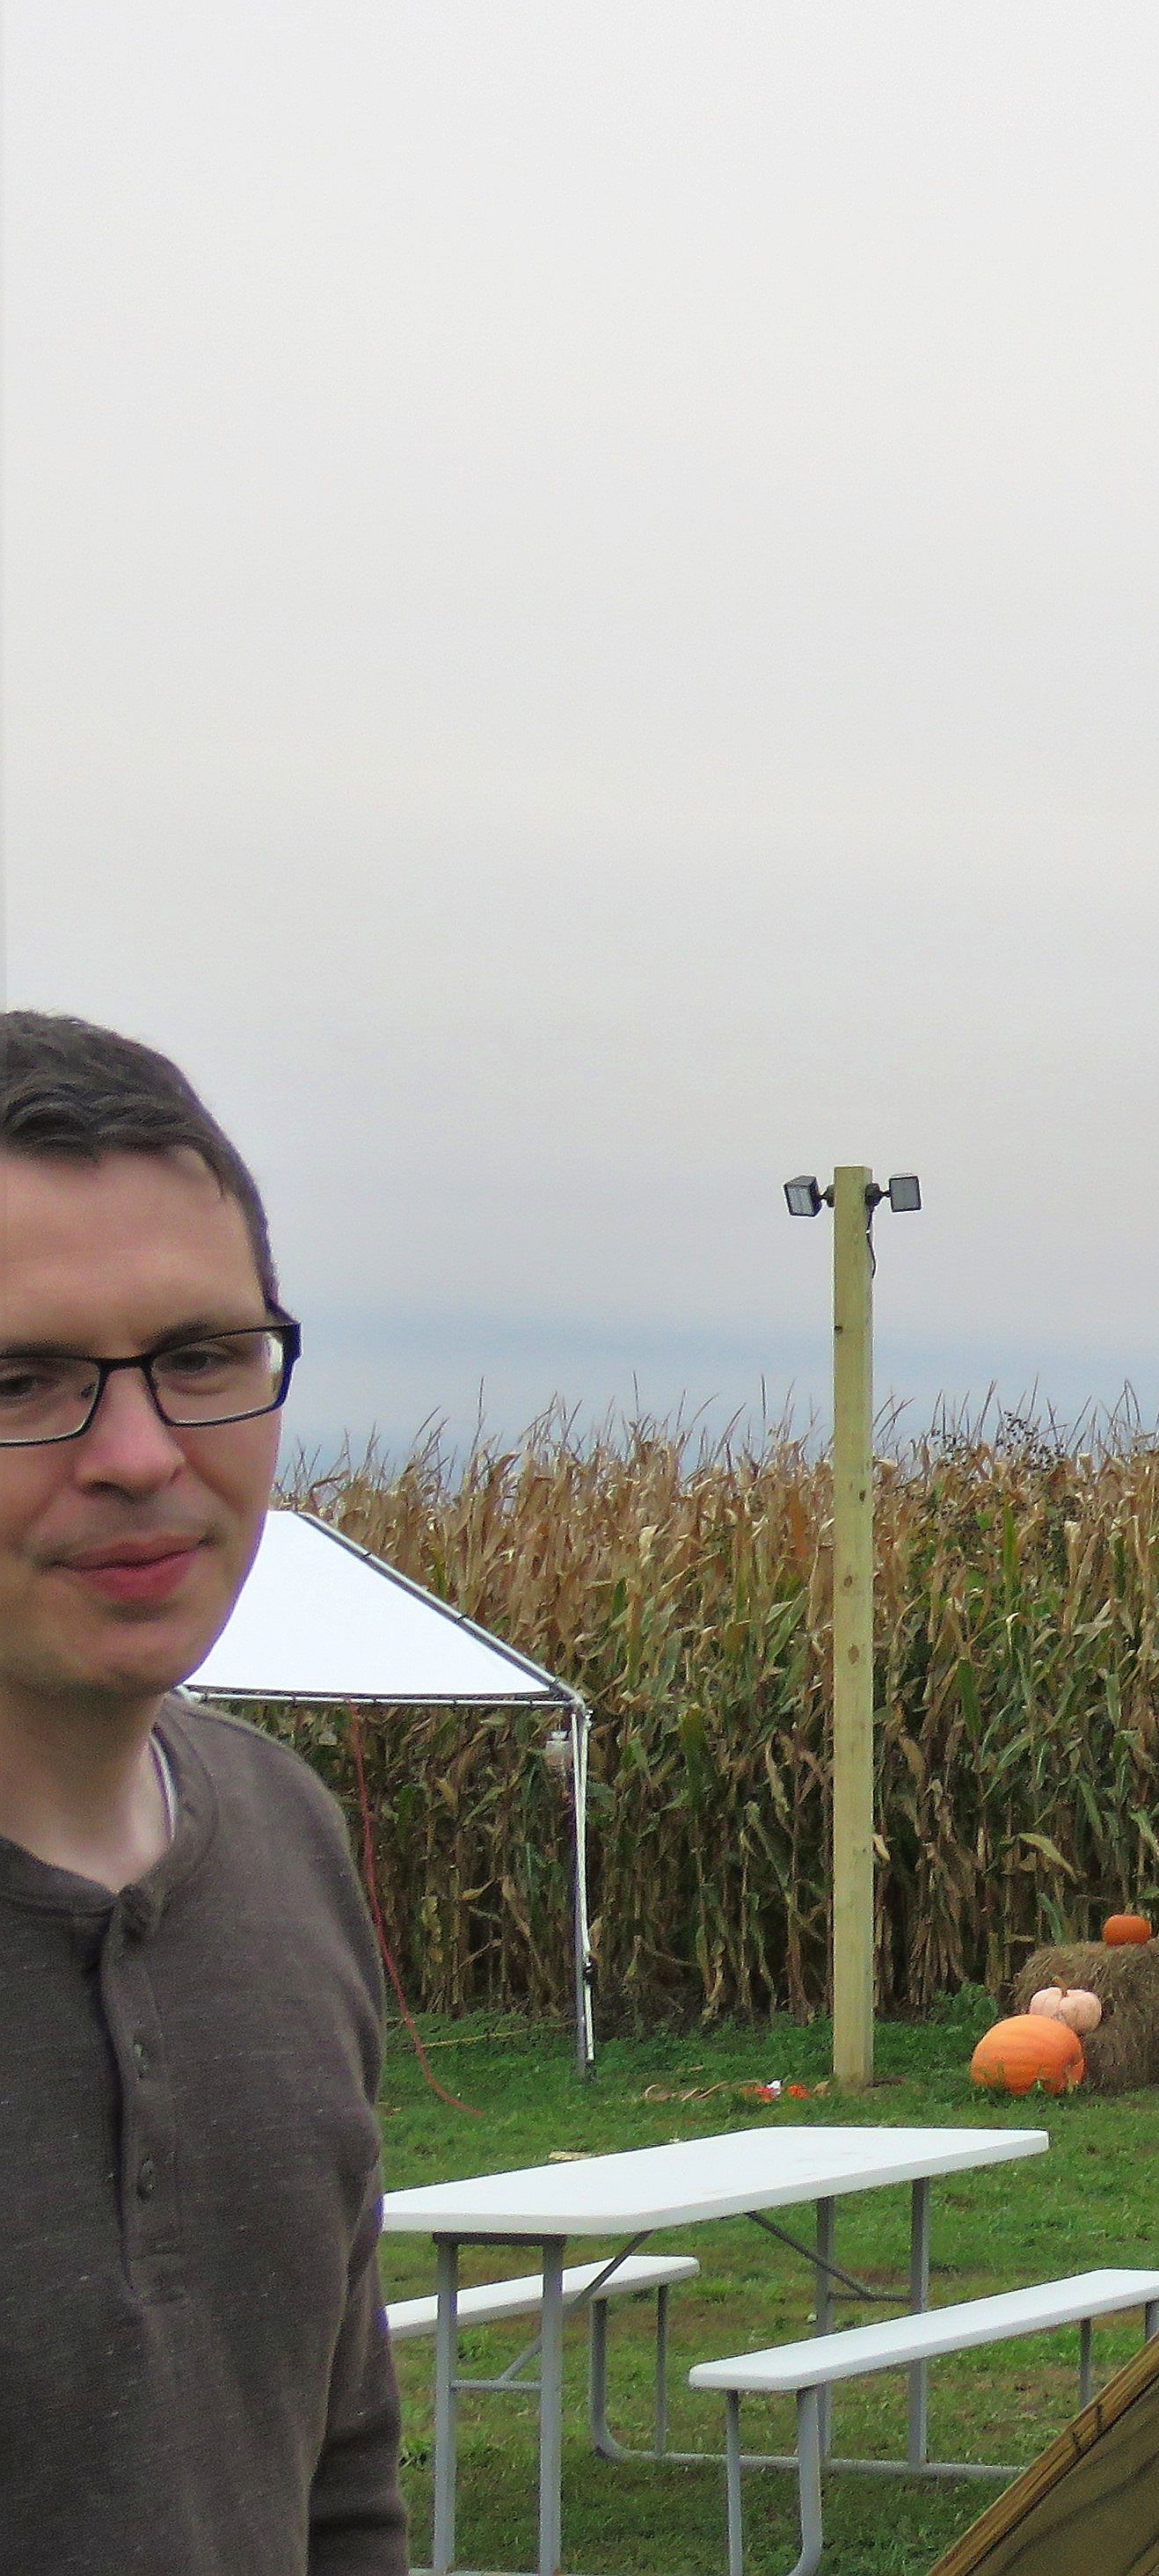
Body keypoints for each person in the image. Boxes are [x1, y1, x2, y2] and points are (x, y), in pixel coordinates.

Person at [0, 1011, 405, 2572]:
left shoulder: (285, 1843)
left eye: (200, 1357)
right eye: (23, 1377)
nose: (140, 1452)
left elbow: (338, 2478)